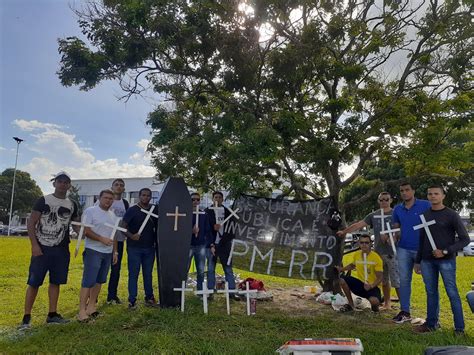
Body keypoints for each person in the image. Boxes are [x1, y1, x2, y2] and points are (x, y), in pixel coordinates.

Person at [19, 171, 79, 329]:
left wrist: (89, 233)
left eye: (66, 182)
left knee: (56, 282)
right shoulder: (43, 200)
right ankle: (26, 317)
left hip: (61, 249)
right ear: (54, 183)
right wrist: (34, 245)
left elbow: (77, 225)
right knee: (34, 282)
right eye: (60, 181)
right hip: (42, 248)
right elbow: (32, 222)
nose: (63, 184)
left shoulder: (72, 204)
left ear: (69, 185)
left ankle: (52, 314)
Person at [413, 185, 469, 335]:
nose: (433, 196)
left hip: (446, 261)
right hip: (427, 261)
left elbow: (465, 239)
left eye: (436, 194)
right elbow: (422, 239)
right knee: (431, 292)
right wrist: (418, 261)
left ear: (443, 196)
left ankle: (459, 328)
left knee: (452, 292)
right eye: (430, 194)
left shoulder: (451, 215)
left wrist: (445, 251)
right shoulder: (425, 215)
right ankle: (431, 324)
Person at [337, 192, 400, 310]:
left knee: (397, 281)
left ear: (391, 200)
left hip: (394, 252)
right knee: (385, 280)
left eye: (386, 199)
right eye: (381, 200)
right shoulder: (374, 215)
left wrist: (393, 237)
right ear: (378, 201)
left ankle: (404, 308)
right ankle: (387, 304)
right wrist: (345, 232)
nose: (384, 202)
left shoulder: (396, 213)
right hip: (378, 253)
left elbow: (401, 229)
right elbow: (358, 225)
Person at [391, 182, 431, 323]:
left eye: (407, 190)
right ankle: (405, 311)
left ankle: (432, 317)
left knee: (429, 282)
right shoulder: (397, 209)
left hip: (424, 249)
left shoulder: (425, 205)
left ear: (413, 190)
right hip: (403, 249)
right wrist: (392, 235)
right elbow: (396, 227)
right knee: (404, 281)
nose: (404, 193)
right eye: (402, 190)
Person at [78, 189, 119, 322]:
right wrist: (101, 239)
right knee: (88, 281)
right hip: (93, 250)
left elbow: (114, 235)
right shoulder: (91, 211)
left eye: (110, 199)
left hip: (107, 253)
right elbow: (86, 230)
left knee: (99, 280)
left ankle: (91, 307)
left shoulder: (113, 216)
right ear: (99, 198)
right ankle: (81, 311)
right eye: (106, 198)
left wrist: (115, 251)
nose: (108, 200)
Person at [121, 188, 158, 309]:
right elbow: (122, 227)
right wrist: (132, 236)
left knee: (148, 274)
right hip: (134, 248)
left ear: (151, 197)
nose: (146, 197)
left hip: (149, 248)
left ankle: (149, 297)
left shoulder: (154, 209)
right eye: (143, 195)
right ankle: (132, 300)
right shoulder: (132, 210)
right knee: (134, 274)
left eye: (148, 196)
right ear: (139, 196)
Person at [205, 191, 240, 300]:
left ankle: (232, 292)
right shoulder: (207, 212)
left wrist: (225, 239)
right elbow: (205, 230)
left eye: (220, 197)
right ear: (212, 199)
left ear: (222, 199)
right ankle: (210, 291)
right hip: (212, 244)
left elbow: (233, 229)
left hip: (224, 244)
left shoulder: (228, 212)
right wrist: (213, 228)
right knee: (211, 269)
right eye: (216, 197)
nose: (218, 199)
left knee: (228, 269)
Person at [337, 234, 383, 313]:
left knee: (374, 301)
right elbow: (353, 265)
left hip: (372, 286)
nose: (364, 245)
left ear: (370, 244)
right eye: (362, 242)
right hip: (360, 283)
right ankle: (351, 305)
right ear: (359, 244)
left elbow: (380, 277)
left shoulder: (376, 257)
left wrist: (371, 286)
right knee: (342, 280)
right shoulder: (357, 254)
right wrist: (341, 269)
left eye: (366, 242)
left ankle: (375, 307)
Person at [106, 178, 129, 305]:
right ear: (112, 187)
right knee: (100, 268)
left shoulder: (125, 203)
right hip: (104, 239)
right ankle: (93, 296)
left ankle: (112, 295)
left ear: (124, 189)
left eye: (121, 185)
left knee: (116, 269)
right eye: (116, 185)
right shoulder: (105, 200)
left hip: (119, 240)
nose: (119, 187)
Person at [188, 192, 212, 292]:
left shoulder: (203, 214)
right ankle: (182, 291)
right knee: (184, 269)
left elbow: (207, 230)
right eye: (193, 199)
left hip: (200, 246)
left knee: (201, 271)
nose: (195, 201)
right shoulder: (185, 213)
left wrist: (209, 244)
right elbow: (180, 230)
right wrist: (191, 231)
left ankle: (200, 291)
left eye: (198, 199)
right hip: (188, 245)